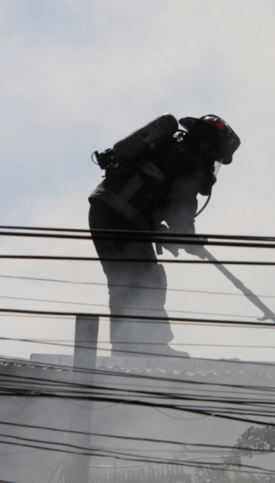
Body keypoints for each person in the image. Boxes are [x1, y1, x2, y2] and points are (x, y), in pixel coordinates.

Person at [88, 114, 240, 357]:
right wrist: (189, 239)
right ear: (207, 147)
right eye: (215, 158)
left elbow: (151, 201)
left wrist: (170, 236)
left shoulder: (168, 150)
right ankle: (154, 347)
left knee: (121, 283)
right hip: (124, 218)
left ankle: (124, 348)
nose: (213, 165)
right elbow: (180, 209)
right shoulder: (188, 159)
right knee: (150, 280)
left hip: (102, 211)